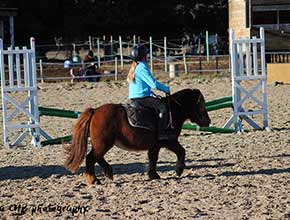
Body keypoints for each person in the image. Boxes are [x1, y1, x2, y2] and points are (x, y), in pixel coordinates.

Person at [127, 44, 175, 140]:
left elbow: (143, 86)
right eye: (147, 54)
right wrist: (166, 89)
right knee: (163, 107)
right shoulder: (142, 67)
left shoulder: (135, 67)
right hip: (141, 98)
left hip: (136, 97)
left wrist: (150, 93)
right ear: (144, 56)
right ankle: (162, 133)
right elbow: (154, 84)